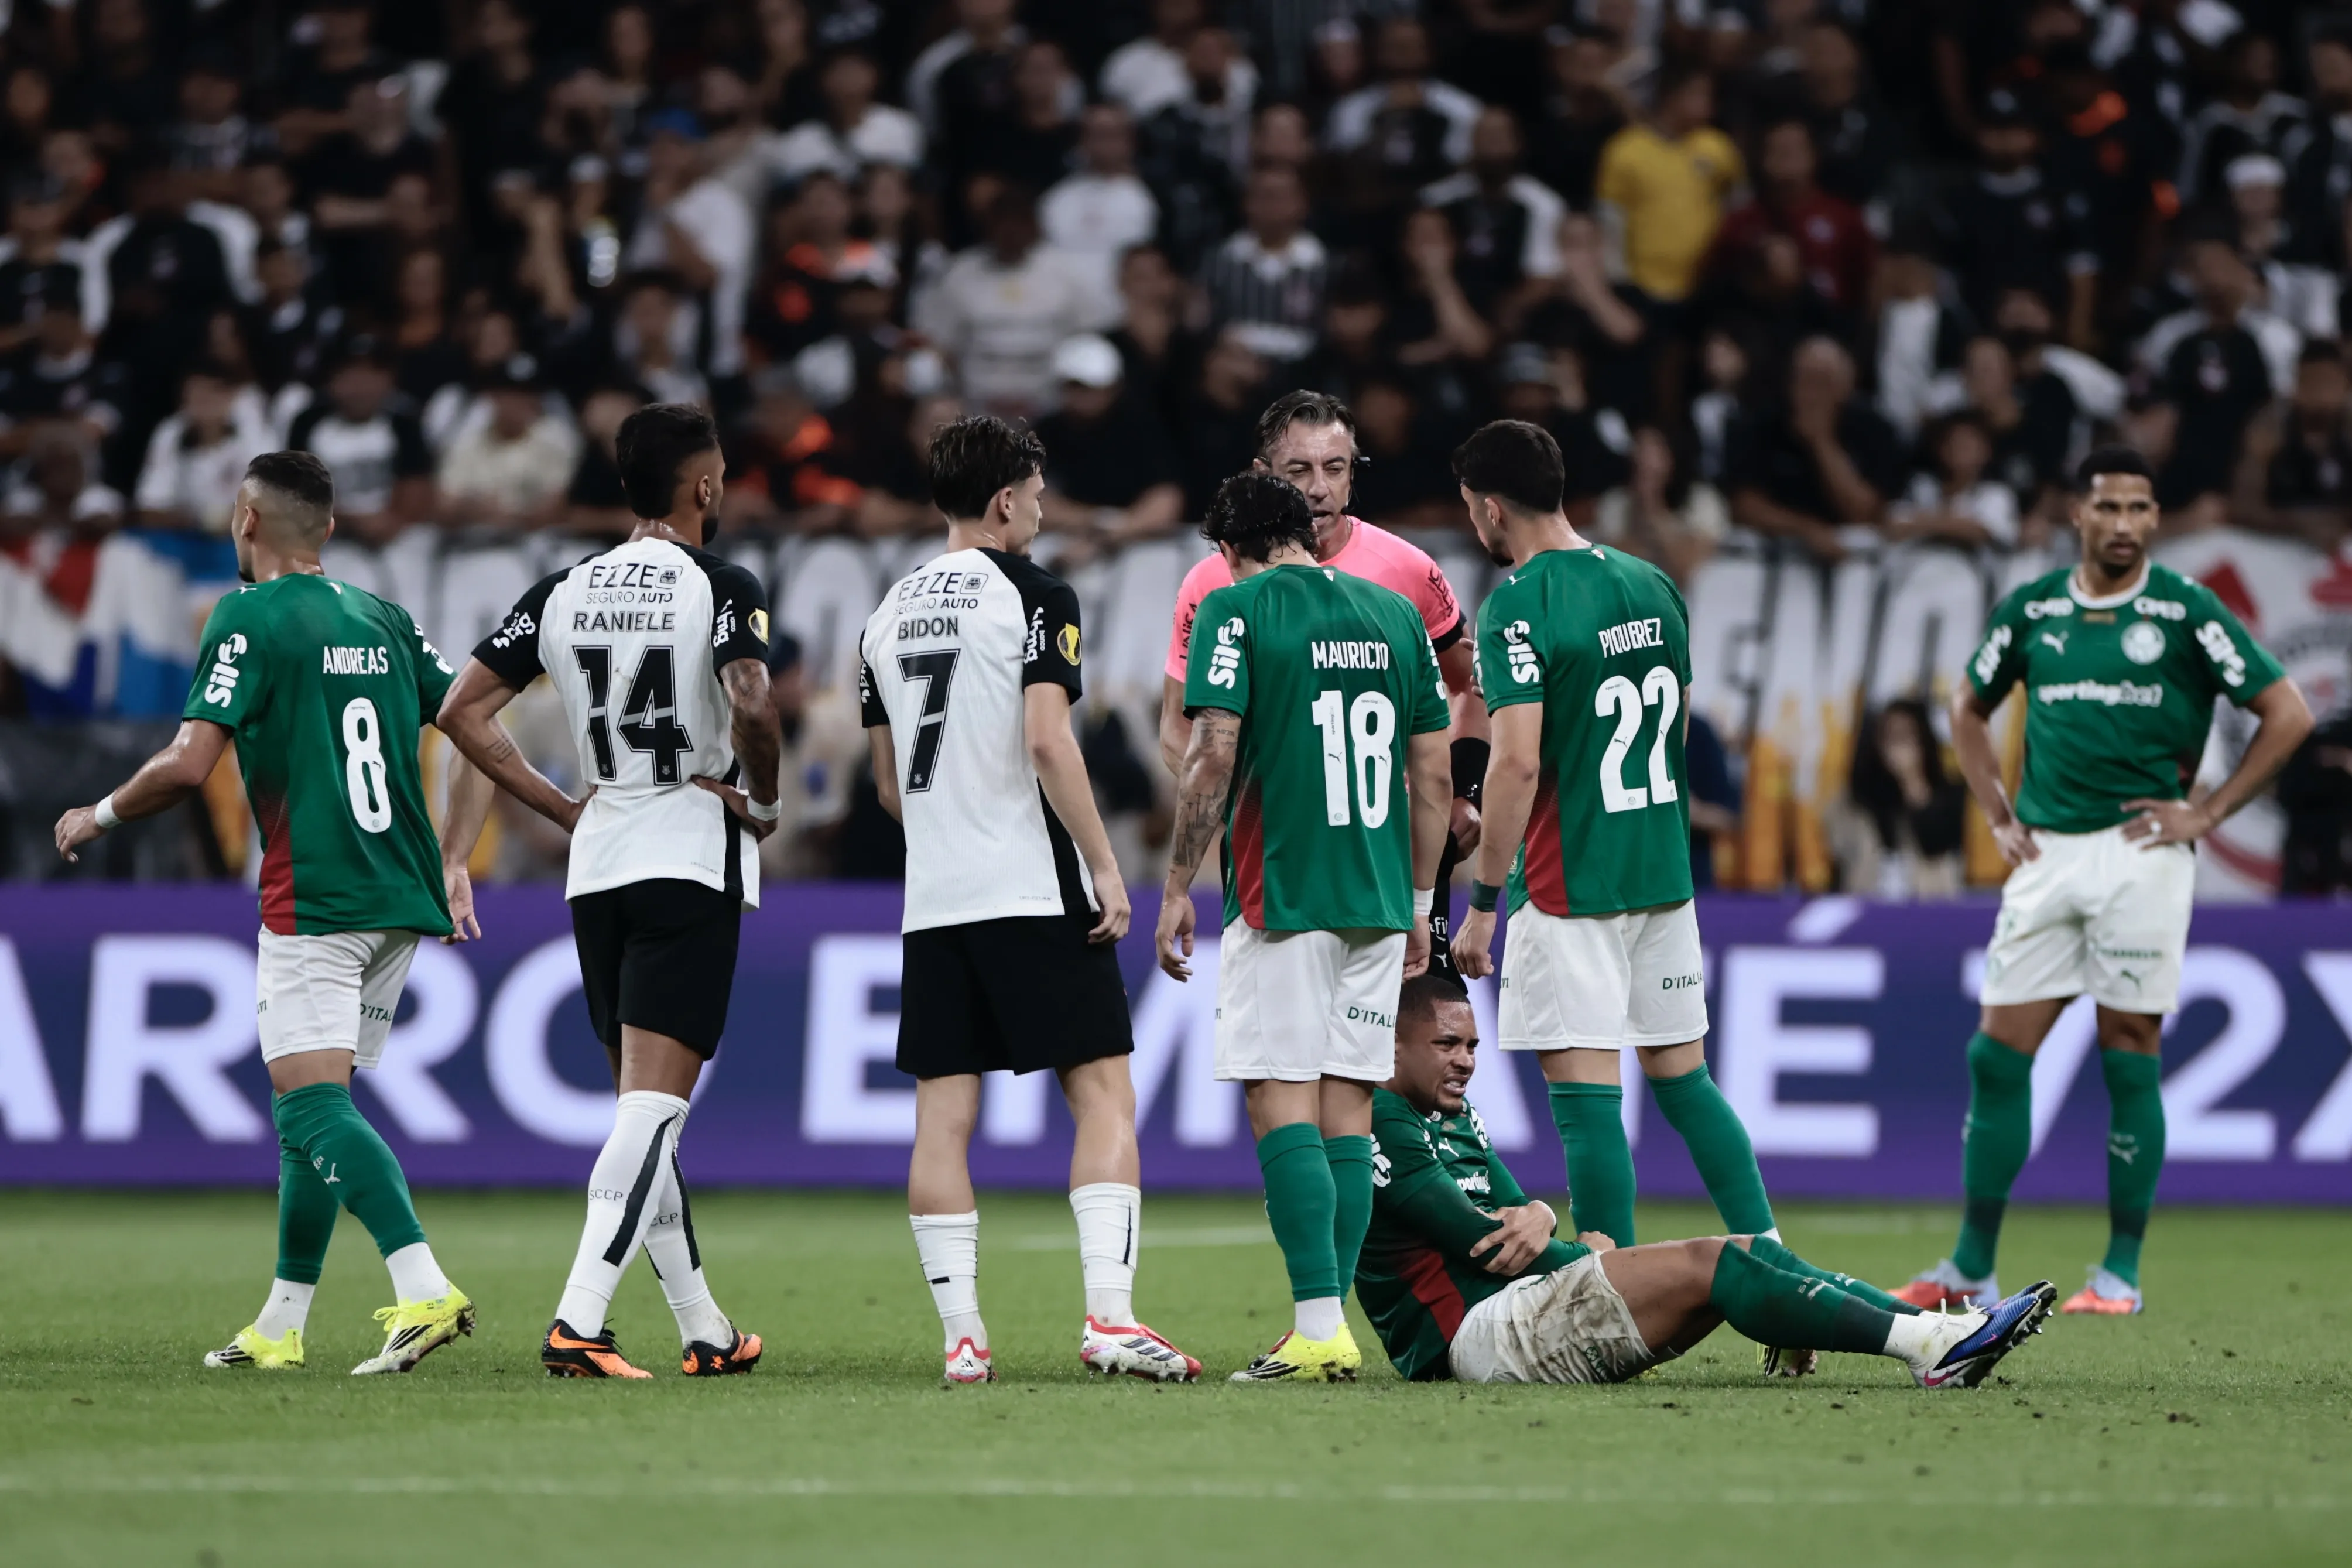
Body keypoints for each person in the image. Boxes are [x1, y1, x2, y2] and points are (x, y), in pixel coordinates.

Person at [53, 450, 488, 1376]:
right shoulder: (383, 616)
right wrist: (455, 859)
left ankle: (423, 1288)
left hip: (317, 895)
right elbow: (480, 724)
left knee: (314, 1108)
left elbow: (184, 766)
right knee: (312, 1108)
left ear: (246, 520)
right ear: (327, 529)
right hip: (401, 897)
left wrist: (95, 814)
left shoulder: (245, 615)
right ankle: (281, 1322)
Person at [1895, 447, 2312, 1317]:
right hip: (2044, 852)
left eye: (2139, 508)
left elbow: (2288, 712)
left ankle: (2118, 1275)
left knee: (2129, 1048)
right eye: (2108, 508)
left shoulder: (2187, 611)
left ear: (2154, 519)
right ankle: (1970, 1268)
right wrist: (1996, 812)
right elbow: (1967, 705)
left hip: (2140, 854)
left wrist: (2208, 812)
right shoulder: (2036, 608)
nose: (2124, 524)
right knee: (1994, 1052)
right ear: (2077, 517)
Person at [437, 403, 778, 1379]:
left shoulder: (563, 587)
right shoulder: (720, 583)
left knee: (641, 1108)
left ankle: (703, 1324)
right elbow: (751, 696)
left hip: (599, 865)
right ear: (704, 487)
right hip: (685, 845)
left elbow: (462, 709)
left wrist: (557, 807)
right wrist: (767, 799)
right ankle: (578, 1317)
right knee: (655, 1113)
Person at [857, 414, 1199, 1388]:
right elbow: (1050, 740)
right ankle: (1110, 1320)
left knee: (942, 1116)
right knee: (1102, 1092)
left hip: (936, 897)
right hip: (1029, 879)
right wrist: (1099, 861)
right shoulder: (1037, 595)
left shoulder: (882, 614)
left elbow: (886, 785)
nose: (1044, 512)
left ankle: (962, 1336)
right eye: (1039, 496)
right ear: (1006, 498)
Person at [1357, 970, 2057, 1388]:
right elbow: (1483, 1240)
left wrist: (1540, 1212)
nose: (1466, 1060)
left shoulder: (1453, 1114)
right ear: (1392, 1044)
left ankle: (1935, 1333)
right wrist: (1585, 1253)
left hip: (1522, 1305)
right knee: (1718, 1259)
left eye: (1473, 1044)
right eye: (1446, 1044)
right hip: (1473, 1340)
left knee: (1752, 1256)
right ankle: (1929, 1347)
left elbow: (1518, 1214)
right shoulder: (1379, 1122)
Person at [1448, 420, 1781, 1263]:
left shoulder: (1518, 604)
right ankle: (1775, 1268)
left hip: (1570, 883)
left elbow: (1517, 763)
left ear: (1491, 509)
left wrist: (1483, 907)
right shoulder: (1652, 583)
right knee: (1688, 1087)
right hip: (1661, 874)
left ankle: (1618, 1299)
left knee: (1588, 1107)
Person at [1154, 470, 1451, 1382]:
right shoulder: (1395, 616)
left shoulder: (1235, 613)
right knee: (1349, 1111)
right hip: (1374, 899)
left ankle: (1318, 1325)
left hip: (1282, 897)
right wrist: (1418, 903)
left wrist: (1176, 885)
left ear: (1230, 549)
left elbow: (1210, 756)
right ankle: (1332, 1325)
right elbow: (1433, 775)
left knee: (1277, 1099)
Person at [1158, 390, 1488, 958]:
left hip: (1399, 848)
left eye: (1335, 468)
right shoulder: (1209, 583)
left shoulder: (1407, 571)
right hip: (1281, 853)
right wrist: (1250, 804)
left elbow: (1470, 688)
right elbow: (1178, 729)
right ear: (1263, 474)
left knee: (1423, 1031)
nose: (1318, 487)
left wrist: (1467, 790)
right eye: (1299, 470)